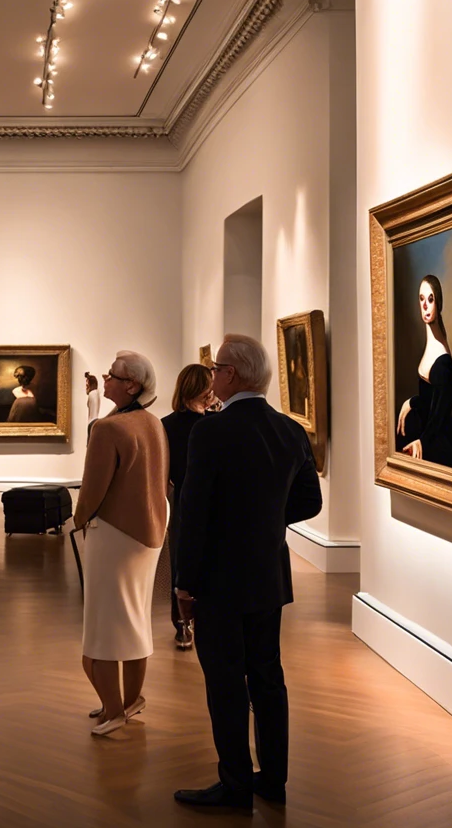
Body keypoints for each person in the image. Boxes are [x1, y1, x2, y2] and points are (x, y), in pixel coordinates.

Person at [173, 334, 322, 809]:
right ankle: (273, 779)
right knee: (267, 677)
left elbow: (193, 515)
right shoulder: (290, 430)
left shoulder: (211, 431)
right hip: (267, 575)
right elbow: (310, 502)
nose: (212, 375)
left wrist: (184, 583)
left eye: (216, 368)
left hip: (219, 580)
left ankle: (236, 783)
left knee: (225, 681)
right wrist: (265, 521)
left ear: (231, 374)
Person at [72, 351, 169, 736]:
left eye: (111, 375)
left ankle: (114, 710)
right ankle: (130, 700)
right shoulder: (153, 423)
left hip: (114, 534)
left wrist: (79, 520)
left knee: (106, 627)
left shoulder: (108, 430)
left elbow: (92, 490)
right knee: (134, 619)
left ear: (132, 385)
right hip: (149, 533)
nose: (104, 379)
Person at [160, 363, 216, 650]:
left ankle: (192, 622)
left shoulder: (211, 421)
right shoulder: (172, 425)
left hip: (193, 499)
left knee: (196, 561)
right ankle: (183, 623)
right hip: (186, 500)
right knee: (183, 562)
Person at [395, 275, 452, 471]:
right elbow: (430, 403)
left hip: (442, 443)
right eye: (421, 299)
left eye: (430, 299)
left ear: (438, 302)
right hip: (430, 435)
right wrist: (411, 402)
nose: (425, 306)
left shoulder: (443, 361)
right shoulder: (432, 344)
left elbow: (439, 415)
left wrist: (422, 442)